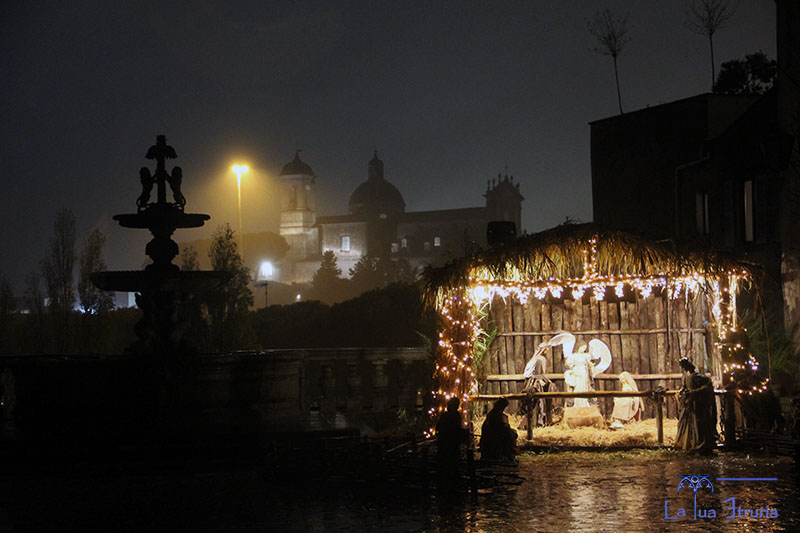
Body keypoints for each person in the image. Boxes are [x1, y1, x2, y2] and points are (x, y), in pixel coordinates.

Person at [675, 358, 718, 454]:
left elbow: (707, 385)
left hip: (698, 403)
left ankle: (700, 444)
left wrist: (694, 392)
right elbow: (685, 387)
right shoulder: (687, 378)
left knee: (699, 423)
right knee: (689, 423)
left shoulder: (700, 377)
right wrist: (683, 392)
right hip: (690, 404)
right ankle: (691, 443)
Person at [436, 397, 469, 480]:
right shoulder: (453, 416)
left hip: (448, 442)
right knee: (451, 461)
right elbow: (454, 429)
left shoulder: (450, 415)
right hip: (449, 443)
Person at [480, 398, 518, 462]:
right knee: (510, 437)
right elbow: (504, 430)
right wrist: (513, 434)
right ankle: (508, 456)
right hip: (495, 441)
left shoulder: (490, 415)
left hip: (488, 440)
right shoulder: (499, 416)